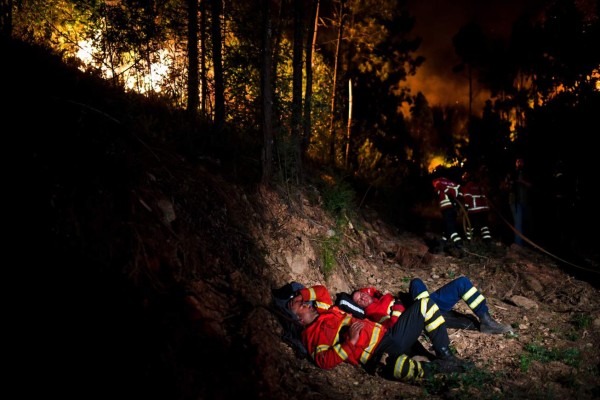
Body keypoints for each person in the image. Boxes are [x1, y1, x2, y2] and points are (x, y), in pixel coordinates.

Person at [286, 283, 473, 383]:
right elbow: (323, 361)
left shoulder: (325, 310)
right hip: (378, 353)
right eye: (298, 306)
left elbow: (321, 291)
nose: (303, 303)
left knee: (425, 305)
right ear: (298, 320)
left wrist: (301, 294)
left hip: (389, 336)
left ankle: (446, 355)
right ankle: (440, 371)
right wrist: (349, 342)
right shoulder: (311, 336)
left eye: (301, 301)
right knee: (400, 367)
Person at [350, 277, 512, 335]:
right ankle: (430, 314)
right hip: (416, 314)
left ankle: (486, 320)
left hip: (427, 303)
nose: (362, 298)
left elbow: (370, 291)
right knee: (415, 283)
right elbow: (391, 325)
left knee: (462, 283)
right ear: (360, 306)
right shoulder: (373, 312)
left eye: (362, 294)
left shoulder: (379, 298)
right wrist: (399, 308)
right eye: (358, 300)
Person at [432, 170, 464, 257]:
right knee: (445, 227)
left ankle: (459, 244)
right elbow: (460, 192)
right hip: (454, 209)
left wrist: (446, 191)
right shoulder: (455, 184)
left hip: (446, 207)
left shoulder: (438, 181)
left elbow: (437, 184)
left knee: (450, 227)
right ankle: (442, 245)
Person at [503, 157, 532, 246]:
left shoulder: (526, 173)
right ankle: (518, 245)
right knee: (518, 223)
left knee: (526, 222)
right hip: (514, 201)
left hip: (525, 201)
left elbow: (531, 185)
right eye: (517, 161)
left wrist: (521, 181)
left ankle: (527, 244)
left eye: (521, 161)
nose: (519, 163)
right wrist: (509, 185)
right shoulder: (511, 174)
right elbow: (504, 186)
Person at [460, 169, 493, 245]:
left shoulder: (468, 186)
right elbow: (486, 195)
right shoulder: (481, 185)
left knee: (470, 226)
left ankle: (469, 241)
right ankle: (487, 240)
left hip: (474, 210)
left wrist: (465, 207)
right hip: (484, 210)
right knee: (484, 225)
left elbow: (467, 197)